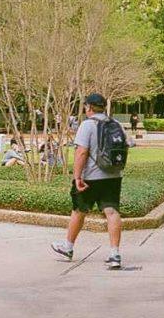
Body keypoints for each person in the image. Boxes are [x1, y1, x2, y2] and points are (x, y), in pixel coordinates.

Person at [51, 93, 125, 269]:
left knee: (79, 210)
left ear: (89, 107)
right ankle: (115, 254)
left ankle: (68, 247)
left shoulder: (87, 125)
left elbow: (82, 152)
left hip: (91, 177)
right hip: (113, 175)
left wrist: (77, 177)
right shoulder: (116, 124)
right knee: (112, 212)